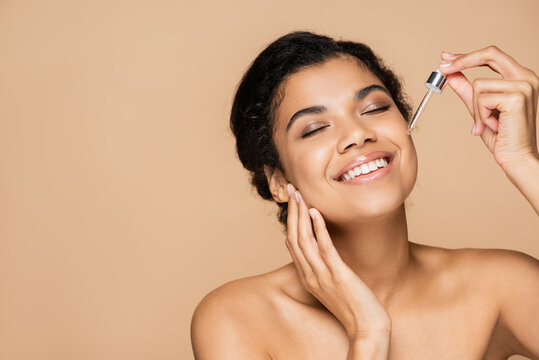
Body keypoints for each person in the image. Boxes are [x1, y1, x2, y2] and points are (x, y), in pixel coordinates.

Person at [190, 31, 539, 359]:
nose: (357, 134)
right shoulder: (236, 318)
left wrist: (524, 162)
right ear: (278, 180)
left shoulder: (501, 285)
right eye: (314, 129)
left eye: (374, 108)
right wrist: (368, 334)